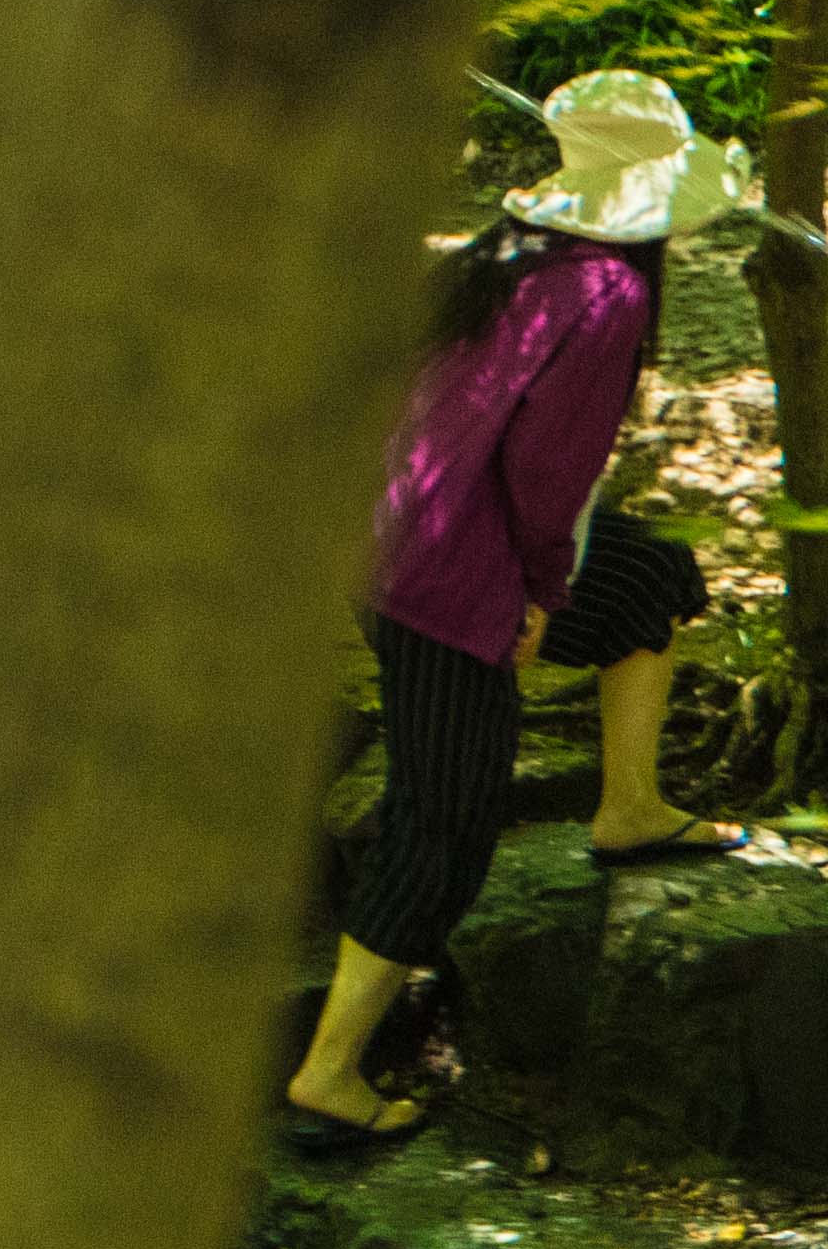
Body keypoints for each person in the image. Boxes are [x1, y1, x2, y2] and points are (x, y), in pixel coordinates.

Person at [293, 70, 759, 1150]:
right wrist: (537, 594)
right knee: (445, 820)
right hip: (444, 571)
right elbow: (548, 478)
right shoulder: (609, 294)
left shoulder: (511, 250)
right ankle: (329, 1071)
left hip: (399, 527)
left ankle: (629, 807)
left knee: (644, 579)